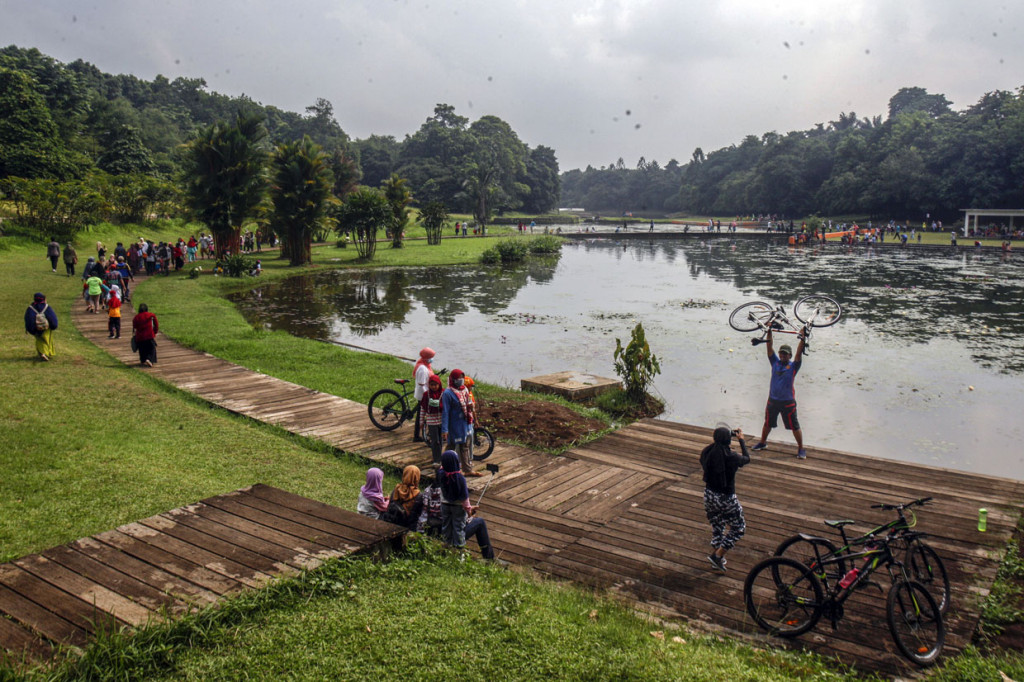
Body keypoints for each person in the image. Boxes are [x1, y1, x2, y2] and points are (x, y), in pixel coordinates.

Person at [751, 327, 807, 458]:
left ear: (790, 356)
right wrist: (769, 330)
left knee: (795, 426)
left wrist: (803, 338)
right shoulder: (775, 362)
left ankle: (801, 449)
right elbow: (769, 347)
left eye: (785, 354)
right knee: (767, 423)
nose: (782, 355)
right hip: (773, 400)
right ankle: (762, 443)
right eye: (781, 353)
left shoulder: (794, 366)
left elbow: (799, 352)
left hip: (788, 402)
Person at [701, 426, 750, 571]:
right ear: (728, 440)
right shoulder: (732, 457)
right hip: (726, 498)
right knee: (739, 528)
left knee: (718, 527)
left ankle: (718, 561)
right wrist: (741, 441)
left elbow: (717, 445)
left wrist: (724, 437)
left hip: (709, 495)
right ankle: (718, 555)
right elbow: (746, 459)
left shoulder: (708, 452)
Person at [438, 450, 494, 559]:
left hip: (444, 504)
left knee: (446, 526)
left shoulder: (441, 474)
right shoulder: (460, 479)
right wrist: (468, 510)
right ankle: (460, 553)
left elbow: (442, 468)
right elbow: (464, 498)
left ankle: (446, 549)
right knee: (459, 528)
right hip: (458, 507)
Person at [442, 369, 480, 476]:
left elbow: (468, 403)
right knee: (451, 447)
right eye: (458, 379)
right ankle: (445, 467)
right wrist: (445, 430)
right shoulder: (448, 393)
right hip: (454, 425)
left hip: (465, 423)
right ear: (453, 380)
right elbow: (445, 412)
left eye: (462, 378)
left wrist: (472, 414)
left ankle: (467, 469)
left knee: (465, 447)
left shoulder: (465, 390)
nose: (461, 380)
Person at [382, 465, 425, 531]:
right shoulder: (419, 495)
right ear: (417, 478)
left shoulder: (396, 489)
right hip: (407, 528)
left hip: (392, 523)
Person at [419, 374, 445, 465]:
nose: (434, 387)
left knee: (441, 440)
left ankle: (439, 457)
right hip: (431, 422)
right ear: (429, 385)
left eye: (436, 385)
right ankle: (436, 460)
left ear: (439, 384)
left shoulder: (443, 393)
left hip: (441, 421)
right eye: (432, 385)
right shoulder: (426, 395)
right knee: (435, 441)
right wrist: (421, 421)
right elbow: (423, 409)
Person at [25, 292, 58, 361]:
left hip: (36, 328)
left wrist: (30, 329)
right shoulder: (46, 307)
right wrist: (54, 326)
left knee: (39, 340)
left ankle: (42, 352)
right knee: (47, 340)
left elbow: (28, 318)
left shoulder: (31, 308)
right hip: (46, 328)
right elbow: (52, 317)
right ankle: (46, 353)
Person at [412, 347, 435, 442]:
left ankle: (419, 434)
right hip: (423, 395)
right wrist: (427, 394)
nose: (432, 359)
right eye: (430, 357)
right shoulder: (422, 369)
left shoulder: (425, 366)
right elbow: (422, 384)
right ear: (426, 357)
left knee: (420, 415)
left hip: (424, 394)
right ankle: (417, 436)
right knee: (420, 416)